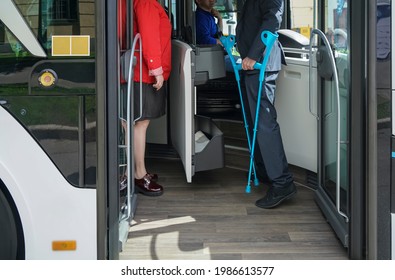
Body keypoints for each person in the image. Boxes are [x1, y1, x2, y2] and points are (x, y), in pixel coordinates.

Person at [236, 0, 296, 208]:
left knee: (264, 124)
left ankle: (282, 182)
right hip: (250, 64)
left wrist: (253, 54)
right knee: (255, 123)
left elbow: (272, 18)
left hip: (260, 62)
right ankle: (264, 171)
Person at [128, 0, 172, 196]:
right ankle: (138, 175)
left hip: (140, 72)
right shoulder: (146, 2)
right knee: (138, 123)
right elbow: (149, 35)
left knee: (135, 122)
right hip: (142, 73)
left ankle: (135, 172)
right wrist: (156, 68)